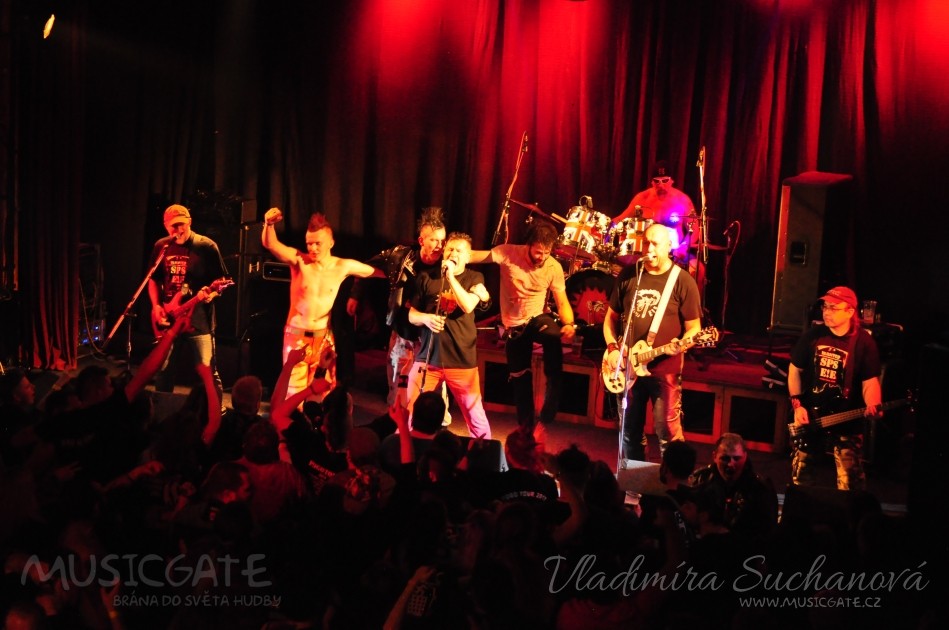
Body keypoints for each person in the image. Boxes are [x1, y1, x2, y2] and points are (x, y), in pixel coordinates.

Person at [602, 222, 702, 461]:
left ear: (669, 247)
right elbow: (610, 319)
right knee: (629, 433)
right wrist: (613, 348)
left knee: (668, 433)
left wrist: (683, 344)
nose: (649, 249)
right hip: (628, 368)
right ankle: (636, 480)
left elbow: (695, 329)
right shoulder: (630, 275)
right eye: (646, 243)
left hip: (664, 371)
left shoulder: (683, 281)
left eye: (655, 244)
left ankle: (673, 480)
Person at [261, 208, 383, 397]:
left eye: (318, 243)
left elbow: (375, 272)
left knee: (322, 396)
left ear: (331, 243)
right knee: (294, 398)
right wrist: (269, 224)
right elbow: (271, 244)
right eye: (309, 244)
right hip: (297, 339)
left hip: (323, 340)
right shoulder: (299, 261)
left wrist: (405, 270)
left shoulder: (342, 266)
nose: (313, 248)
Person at [469, 221, 576, 435]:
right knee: (520, 380)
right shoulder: (508, 253)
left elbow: (562, 301)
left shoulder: (553, 267)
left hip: (537, 318)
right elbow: (476, 256)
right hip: (514, 327)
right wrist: (452, 253)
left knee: (552, 336)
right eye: (538, 252)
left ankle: (552, 393)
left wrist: (569, 324)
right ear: (529, 245)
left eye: (546, 253)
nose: (542, 257)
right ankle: (526, 430)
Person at [348, 207, 451, 427]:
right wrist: (355, 295)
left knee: (434, 385)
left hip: (431, 335)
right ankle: (397, 423)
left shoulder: (447, 263)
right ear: (421, 240)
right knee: (399, 381)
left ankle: (436, 425)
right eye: (434, 240)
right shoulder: (401, 256)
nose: (439, 246)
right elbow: (367, 267)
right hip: (404, 332)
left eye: (442, 240)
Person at [787, 286, 882, 491]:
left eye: (833, 308)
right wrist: (798, 405)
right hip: (812, 417)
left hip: (846, 419)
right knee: (802, 480)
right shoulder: (812, 336)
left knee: (850, 484)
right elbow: (794, 370)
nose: (827, 312)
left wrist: (873, 403)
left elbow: (870, 381)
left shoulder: (864, 342)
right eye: (825, 307)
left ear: (849, 312)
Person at [407, 233, 492, 440]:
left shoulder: (475, 279)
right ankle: (406, 449)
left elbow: (468, 305)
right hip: (428, 358)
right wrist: (425, 318)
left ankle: (487, 453)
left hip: (461, 361)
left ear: (468, 257)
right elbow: (411, 315)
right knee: (411, 411)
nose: (453, 253)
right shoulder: (426, 277)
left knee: (475, 416)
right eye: (450, 249)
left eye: (459, 251)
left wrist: (451, 277)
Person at [148, 204, 229, 397]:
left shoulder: (206, 246)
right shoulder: (161, 246)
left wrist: (211, 294)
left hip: (200, 322)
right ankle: (161, 408)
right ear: (166, 226)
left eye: (182, 224)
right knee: (164, 371)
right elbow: (153, 279)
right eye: (173, 226)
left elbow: (222, 281)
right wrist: (156, 306)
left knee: (208, 372)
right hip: (169, 319)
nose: (178, 229)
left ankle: (215, 410)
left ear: (190, 222)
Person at [691, 432, 778, 541]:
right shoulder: (700, 481)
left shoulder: (760, 489)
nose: (731, 464)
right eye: (725, 458)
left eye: (736, 459)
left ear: (745, 457)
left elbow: (767, 533)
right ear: (714, 456)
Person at [612, 160, 697, 264]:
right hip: (646, 253)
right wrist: (604, 225)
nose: (661, 186)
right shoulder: (642, 198)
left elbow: (695, 230)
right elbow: (620, 219)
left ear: (672, 181)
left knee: (697, 267)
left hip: (674, 254)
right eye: (657, 181)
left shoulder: (682, 200)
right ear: (652, 182)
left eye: (665, 181)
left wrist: (683, 247)